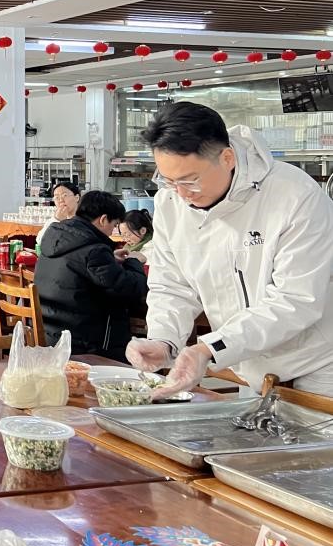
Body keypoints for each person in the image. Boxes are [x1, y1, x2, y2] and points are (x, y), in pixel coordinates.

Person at [128, 102, 333, 398]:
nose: (181, 194)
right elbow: (171, 285)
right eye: (169, 181)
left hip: (317, 365)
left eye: (189, 180)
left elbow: (296, 299)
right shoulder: (170, 203)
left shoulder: (295, 196)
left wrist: (210, 348)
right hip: (246, 364)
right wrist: (163, 340)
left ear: (227, 158)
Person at [35, 190, 148, 361]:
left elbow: (82, 266)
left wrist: (110, 258)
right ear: (103, 219)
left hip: (52, 335)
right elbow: (129, 289)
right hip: (85, 343)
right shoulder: (94, 250)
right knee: (137, 352)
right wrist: (134, 262)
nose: (112, 231)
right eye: (114, 225)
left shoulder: (56, 237)